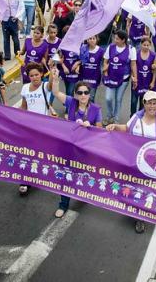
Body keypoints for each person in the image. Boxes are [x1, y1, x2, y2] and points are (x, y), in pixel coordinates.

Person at [106, 90, 156, 233]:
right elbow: (127, 128)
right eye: (149, 103)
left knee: (146, 191)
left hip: (152, 166)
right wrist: (115, 126)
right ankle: (132, 208)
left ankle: (141, 218)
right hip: (134, 161)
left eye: (155, 103)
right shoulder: (136, 117)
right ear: (144, 103)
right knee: (133, 186)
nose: (152, 106)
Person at [50, 72, 103, 218]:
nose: (83, 95)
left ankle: (82, 193)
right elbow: (55, 92)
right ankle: (63, 204)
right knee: (65, 175)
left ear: (89, 94)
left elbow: (100, 130)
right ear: (75, 94)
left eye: (86, 92)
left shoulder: (96, 109)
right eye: (80, 92)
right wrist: (55, 80)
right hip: (68, 147)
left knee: (83, 174)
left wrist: (90, 127)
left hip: (85, 149)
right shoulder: (70, 102)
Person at [19, 62, 56, 196]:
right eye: (31, 75)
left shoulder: (45, 86)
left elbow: (52, 85)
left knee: (41, 153)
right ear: (28, 76)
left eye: (37, 75)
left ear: (41, 74)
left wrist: (52, 71)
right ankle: (25, 181)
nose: (34, 77)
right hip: (29, 127)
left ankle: (40, 174)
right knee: (27, 154)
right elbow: (23, 106)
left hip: (44, 128)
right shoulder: (24, 88)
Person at [102, 30, 137, 124]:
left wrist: (135, 77)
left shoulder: (131, 49)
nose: (115, 40)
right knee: (108, 98)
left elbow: (133, 64)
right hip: (111, 77)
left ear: (123, 40)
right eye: (114, 38)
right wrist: (105, 72)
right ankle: (110, 115)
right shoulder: (110, 47)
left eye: (117, 38)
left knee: (118, 99)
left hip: (123, 79)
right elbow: (105, 61)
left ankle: (116, 119)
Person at [131, 37, 156, 115]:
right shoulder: (136, 53)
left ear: (150, 46)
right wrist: (133, 77)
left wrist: (153, 82)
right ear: (141, 44)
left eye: (148, 45)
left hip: (147, 81)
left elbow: (155, 70)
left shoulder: (153, 55)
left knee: (143, 102)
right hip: (137, 81)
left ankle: (140, 117)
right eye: (144, 45)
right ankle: (132, 116)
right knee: (133, 102)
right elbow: (132, 66)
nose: (146, 47)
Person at [79, 35, 105, 102]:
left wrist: (103, 77)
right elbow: (80, 60)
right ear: (87, 40)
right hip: (83, 76)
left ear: (97, 39)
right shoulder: (83, 49)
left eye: (94, 38)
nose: (92, 40)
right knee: (83, 96)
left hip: (95, 77)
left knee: (91, 97)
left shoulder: (101, 51)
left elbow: (104, 64)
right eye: (90, 38)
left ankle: (90, 111)